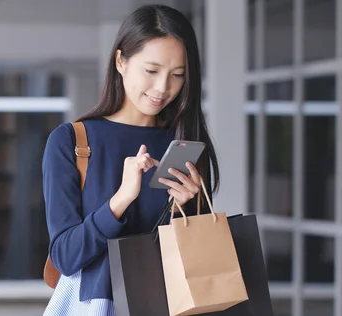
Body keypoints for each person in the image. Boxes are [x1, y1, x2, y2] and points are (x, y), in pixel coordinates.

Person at [42, 4, 219, 315]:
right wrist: (120, 200)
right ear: (121, 60)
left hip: (167, 305)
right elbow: (65, 257)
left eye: (178, 75)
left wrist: (190, 207)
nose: (163, 88)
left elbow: (198, 258)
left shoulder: (181, 145)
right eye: (151, 71)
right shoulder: (73, 142)